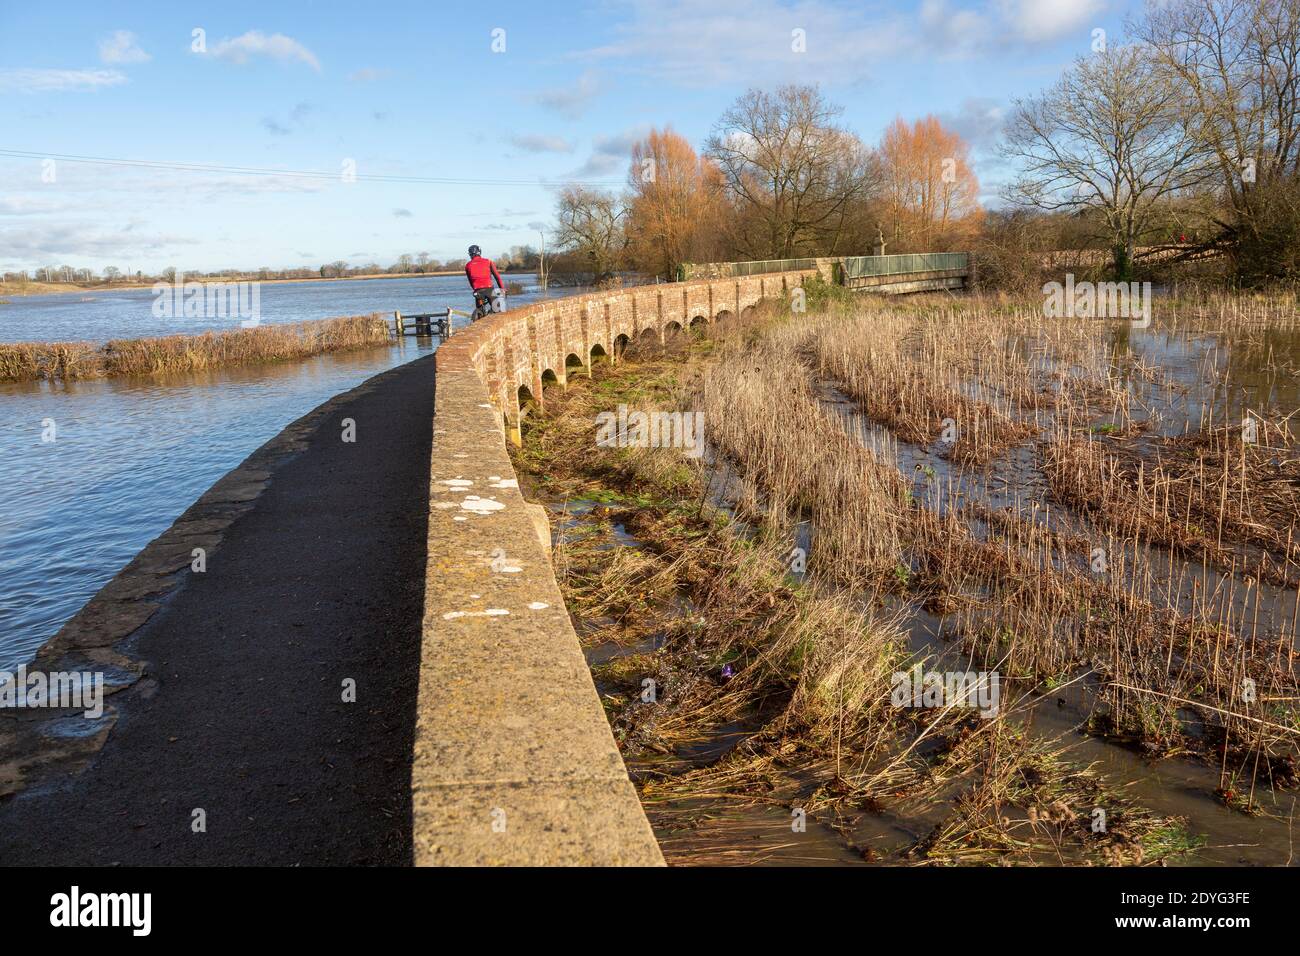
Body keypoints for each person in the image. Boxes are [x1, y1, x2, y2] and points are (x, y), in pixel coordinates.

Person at [464, 245, 504, 317]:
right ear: (479, 252)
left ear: (470, 254)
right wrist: (502, 289)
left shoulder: (467, 265)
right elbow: (497, 277)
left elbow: (470, 281)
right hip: (489, 289)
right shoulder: (488, 262)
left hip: (477, 291)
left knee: (480, 313)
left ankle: (479, 316)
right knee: (498, 311)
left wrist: (475, 289)